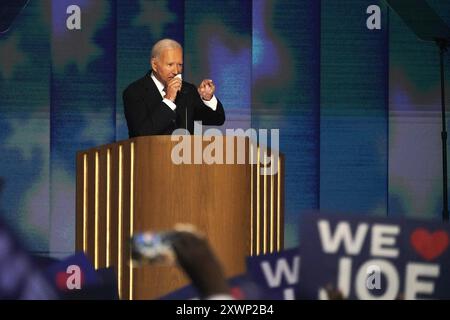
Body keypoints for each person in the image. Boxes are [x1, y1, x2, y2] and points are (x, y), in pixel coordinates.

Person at [123, 39, 225, 137]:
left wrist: (208, 98)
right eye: (170, 64)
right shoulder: (134, 92)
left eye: (180, 65)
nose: (176, 71)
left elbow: (217, 119)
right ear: (154, 64)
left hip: (184, 154)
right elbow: (141, 133)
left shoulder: (187, 90)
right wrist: (169, 100)